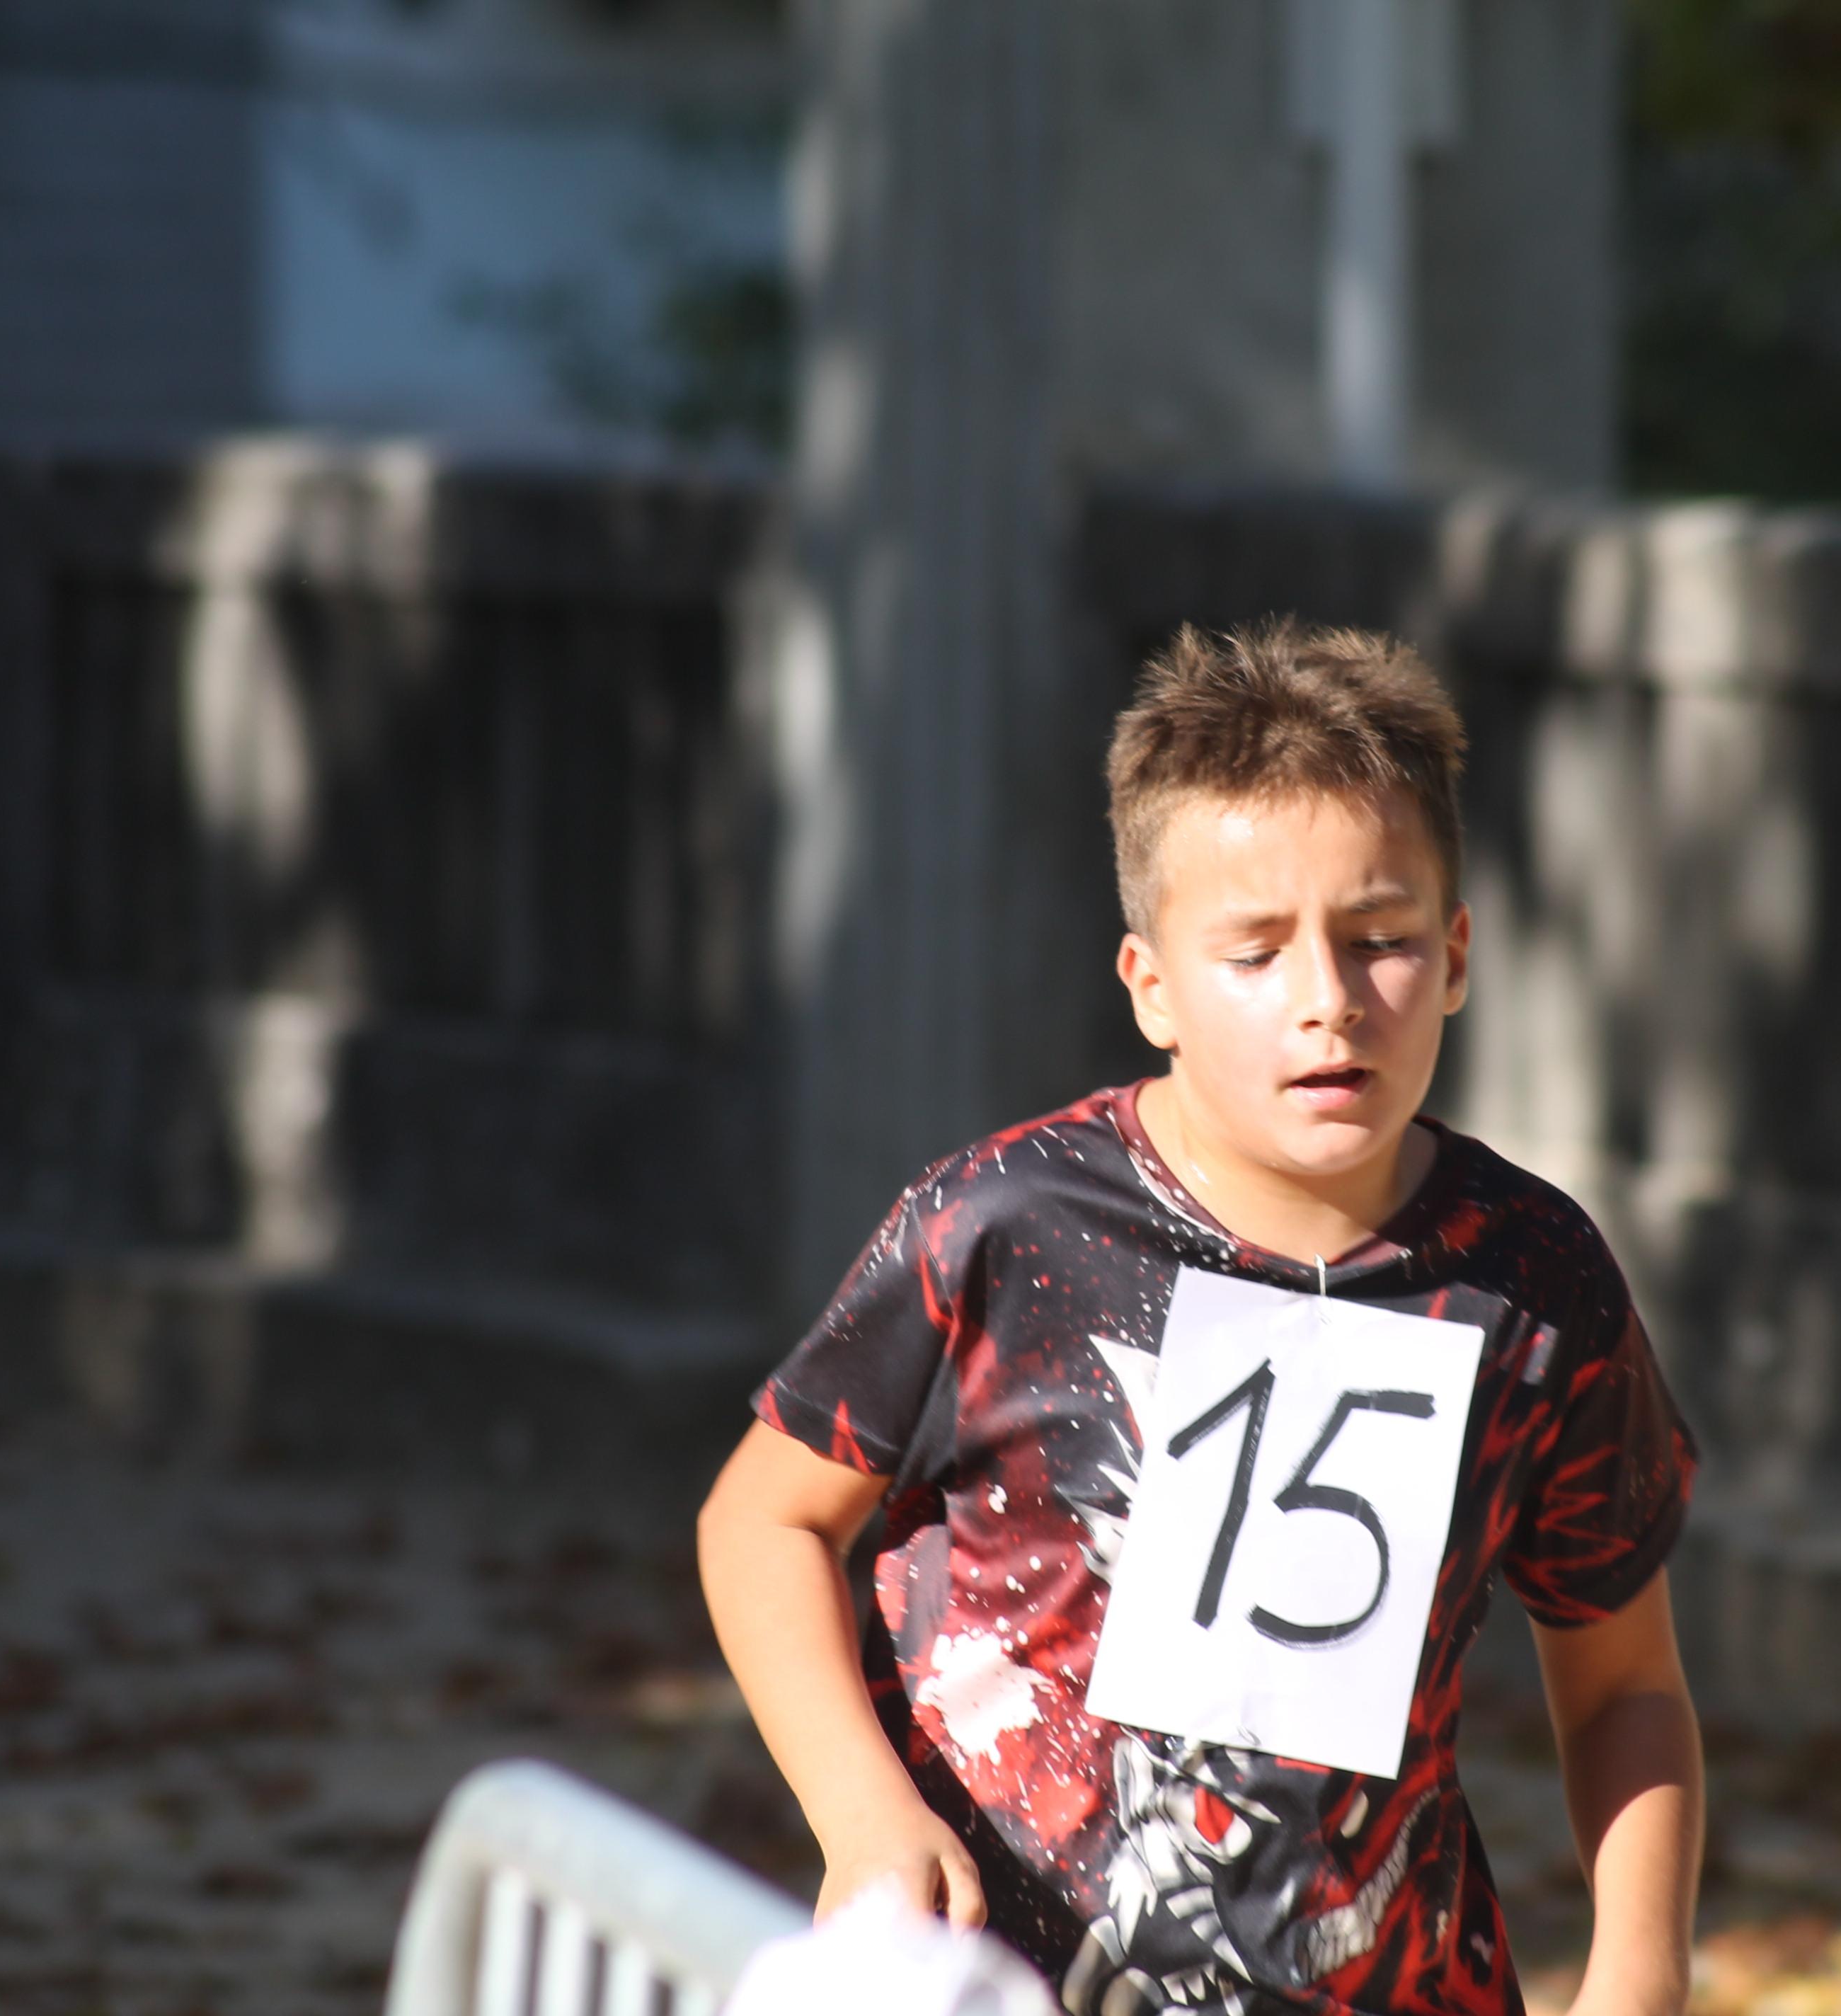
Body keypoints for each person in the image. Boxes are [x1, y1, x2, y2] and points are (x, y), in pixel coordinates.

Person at [696, 620, 1703, 2016]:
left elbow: (1626, 1685)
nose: (1329, 1001)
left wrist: (1641, 1969)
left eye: (1383, 940)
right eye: (1256, 952)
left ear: (1459, 954)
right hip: (996, 1983)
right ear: (1152, 986)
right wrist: (859, 1809)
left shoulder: (1539, 1278)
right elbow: (765, 1520)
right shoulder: (1000, 1225)